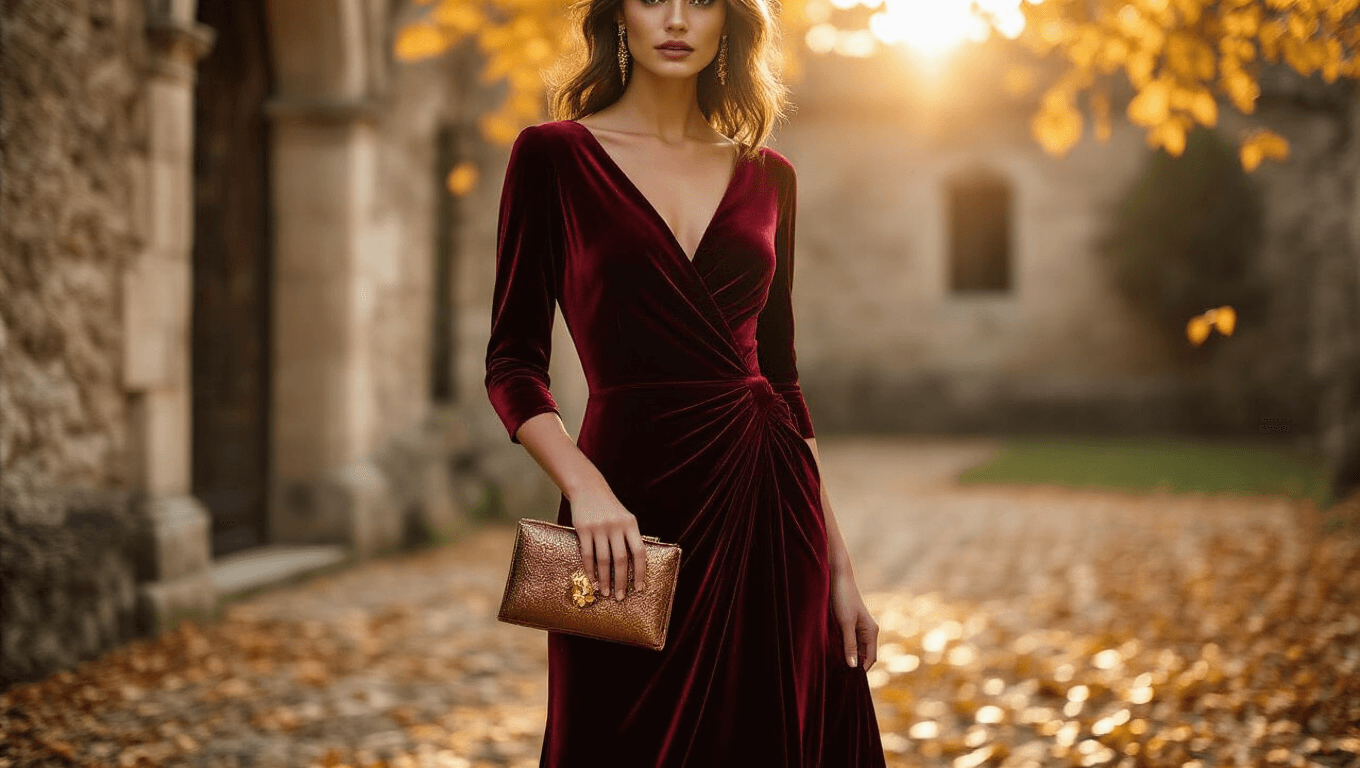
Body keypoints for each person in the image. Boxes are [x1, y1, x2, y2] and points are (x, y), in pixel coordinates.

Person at [484, 0, 887, 762]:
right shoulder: (552, 156)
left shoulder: (771, 177)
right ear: (618, 15)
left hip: (769, 511)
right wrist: (587, 490)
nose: (676, 18)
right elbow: (511, 365)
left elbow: (783, 380)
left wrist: (842, 570)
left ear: (732, 19)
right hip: (623, 524)